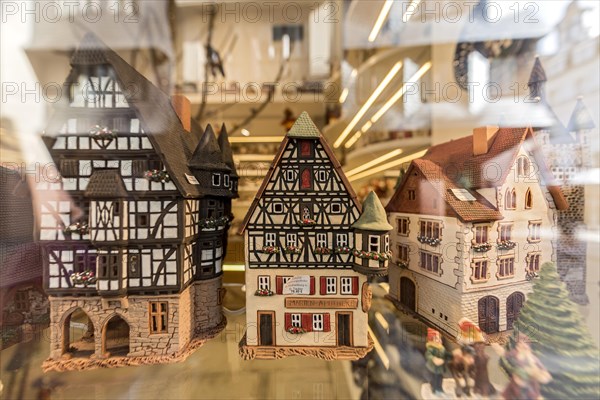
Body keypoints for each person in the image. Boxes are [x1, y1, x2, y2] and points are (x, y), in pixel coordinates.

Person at [425, 328, 447, 394]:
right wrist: (433, 358)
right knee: (434, 378)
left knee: (440, 378)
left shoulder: (442, 348)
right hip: (433, 367)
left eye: (439, 338)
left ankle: (439, 387)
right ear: (432, 340)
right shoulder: (431, 348)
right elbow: (428, 355)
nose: (439, 340)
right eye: (437, 339)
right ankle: (434, 388)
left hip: (440, 368)